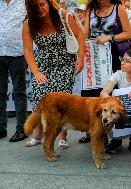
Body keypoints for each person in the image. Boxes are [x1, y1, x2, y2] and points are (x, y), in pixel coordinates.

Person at [23, 0, 85, 148]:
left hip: (65, 65)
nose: (40, 9)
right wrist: (36, 72)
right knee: (41, 100)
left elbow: (80, 36)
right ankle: (38, 134)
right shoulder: (29, 23)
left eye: (42, 4)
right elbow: (28, 50)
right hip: (42, 66)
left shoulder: (63, 15)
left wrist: (80, 59)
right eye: (35, 7)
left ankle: (63, 137)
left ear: (49, 2)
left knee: (61, 103)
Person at [78, 0, 131, 144]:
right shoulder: (90, 8)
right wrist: (80, 43)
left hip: (113, 55)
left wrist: (110, 37)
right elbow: (86, 32)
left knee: (110, 93)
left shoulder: (118, 8)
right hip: (94, 54)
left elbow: (128, 33)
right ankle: (92, 131)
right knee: (91, 94)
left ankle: (114, 137)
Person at [0, 0, 27, 142]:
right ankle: (1, 128)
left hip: (18, 53)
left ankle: (22, 129)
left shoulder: (24, 2)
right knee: (0, 92)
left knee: (19, 92)